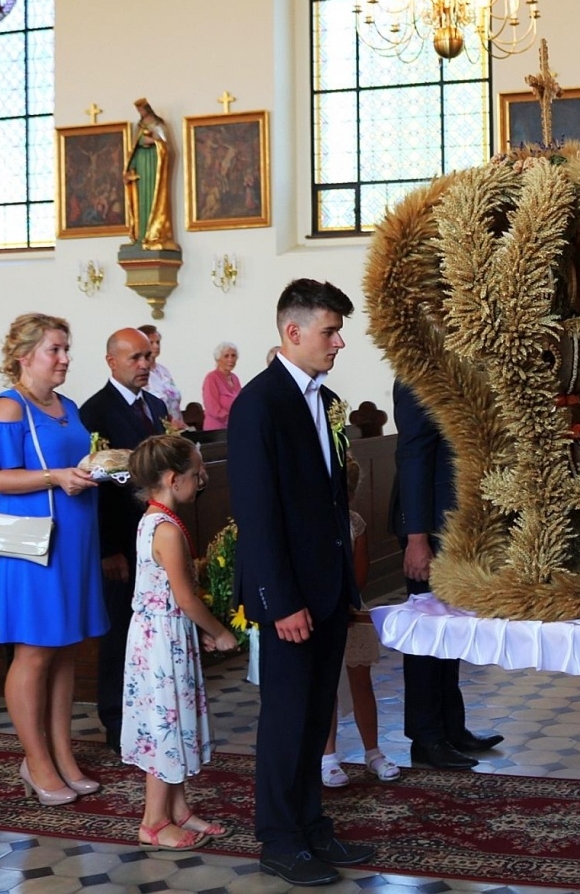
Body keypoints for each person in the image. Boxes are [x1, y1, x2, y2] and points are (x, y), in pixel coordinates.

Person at [229, 278, 376, 885]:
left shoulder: (325, 399)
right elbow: (258, 513)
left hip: (326, 588)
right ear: (293, 332)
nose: (339, 341)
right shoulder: (260, 404)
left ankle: (314, 827)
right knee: (287, 721)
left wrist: (345, 586)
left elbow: (329, 498)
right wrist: (280, 600)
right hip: (289, 597)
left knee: (318, 718)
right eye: (330, 330)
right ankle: (279, 838)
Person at [0, 314, 107, 806]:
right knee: (33, 652)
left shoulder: (68, 406)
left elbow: (76, 461)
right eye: (55, 349)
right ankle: (35, 760)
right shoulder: (7, 408)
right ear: (25, 356)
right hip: (32, 546)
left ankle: (63, 755)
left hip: (74, 540)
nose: (65, 358)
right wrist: (56, 478)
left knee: (66, 647)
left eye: (67, 348)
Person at [122, 434, 238, 851]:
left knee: (174, 718)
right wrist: (218, 631)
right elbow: (185, 597)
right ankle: (153, 821)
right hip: (160, 642)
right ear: (173, 479)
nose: (201, 478)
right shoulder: (166, 530)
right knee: (165, 726)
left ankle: (179, 808)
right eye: (196, 473)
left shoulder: (154, 519)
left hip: (162, 634)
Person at [391, 380, 504, 770]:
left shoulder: (455, 364)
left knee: (451, 632)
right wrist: (416, 537)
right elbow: (414, 455)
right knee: (427, 634)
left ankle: (451, 727)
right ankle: (426, 737)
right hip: (430, 527)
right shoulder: (415, 373)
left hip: (457, 525)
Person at [79, 328, 168, 750]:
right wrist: (107, 548)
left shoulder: (156, 405)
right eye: (135, 358)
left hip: (156, 535)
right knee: (119, 634)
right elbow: (95, 486)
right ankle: (115, 721)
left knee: (152, 630)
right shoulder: (94, 412)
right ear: (111, 361)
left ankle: (151, 711)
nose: (144, 365)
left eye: (147, 356)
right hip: (120, 541)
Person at [322, 456, 402, 788]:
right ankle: (328, 757)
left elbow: (360, 576)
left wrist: (345, 601)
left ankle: (373, 753)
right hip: (321, 613)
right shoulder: (311, 522)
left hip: (351, 611)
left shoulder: (355, 524)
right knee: (326, 686)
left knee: (362, 684)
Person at [123, 98, 177, 252]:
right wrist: (129, 169)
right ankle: (141, 236)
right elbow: (132, 149)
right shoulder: (139, 126)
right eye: (138, 111)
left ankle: (154, 234)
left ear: (148, 109)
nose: (141, 113)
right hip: (140, 164)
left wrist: (154, 142)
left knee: (154, 197)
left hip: (154, 164)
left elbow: (166, 147)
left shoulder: (159, 124)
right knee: (140, 200)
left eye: (142, 110)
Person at [138, 324, 183, 426]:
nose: (156, 346)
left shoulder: (163, 371)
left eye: (158, 342)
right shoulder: (140, 373)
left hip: (176, 428)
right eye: (151, 343)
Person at [202, 342, 241, 431]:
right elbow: (212, 407)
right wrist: (231, 419)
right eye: (226, 356)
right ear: (218, 359)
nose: (230, 359)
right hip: (216, 429)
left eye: (233, 355)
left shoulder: (235, 378)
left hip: (234, 426)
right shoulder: (211, 378)